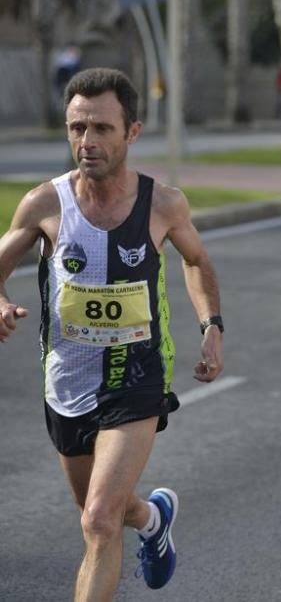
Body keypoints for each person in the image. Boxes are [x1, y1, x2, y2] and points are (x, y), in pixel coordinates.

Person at [0, 68, 224, 600]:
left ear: (132, 132)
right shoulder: (44, 204)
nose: (87, 142)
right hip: (67, 382)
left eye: (101, 128)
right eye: (77, 128)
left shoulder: (163, 204)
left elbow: (197, 261)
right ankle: (152, 520)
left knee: (98, 521)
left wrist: (211, 326)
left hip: (136, 375)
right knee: (105, 510)